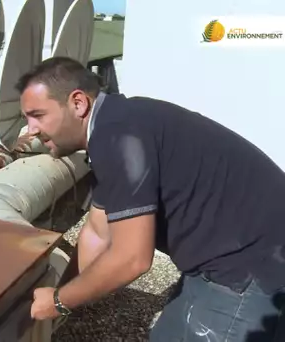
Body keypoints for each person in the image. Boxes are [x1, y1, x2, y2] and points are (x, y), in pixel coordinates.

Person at [17, 56, 285, 341]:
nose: (31, 129)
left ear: (78, 103)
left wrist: (59, 301)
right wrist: (65, 294)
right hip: (227, 255)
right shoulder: (117, 124)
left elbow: (132, 259)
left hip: (250, 265)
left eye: (38, 115)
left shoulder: (119, 139)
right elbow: (98, 232)